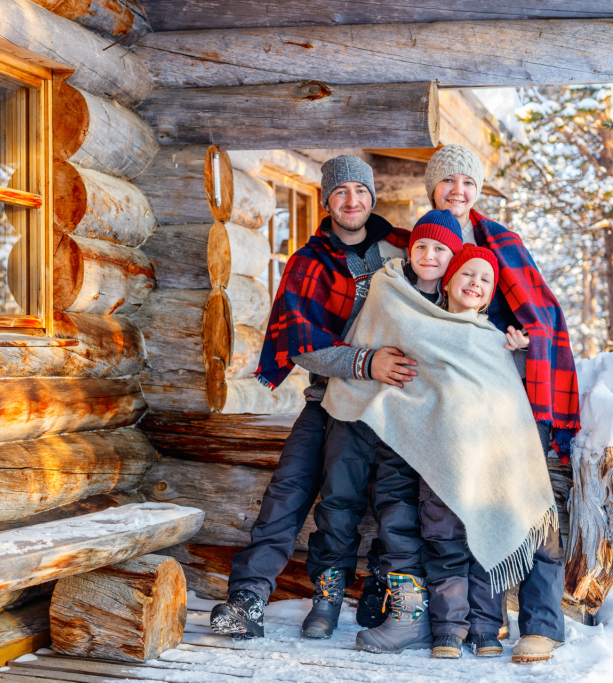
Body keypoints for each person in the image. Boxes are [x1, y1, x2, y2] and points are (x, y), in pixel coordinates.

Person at [321, 245, 558, 660]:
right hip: (436, 456)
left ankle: (486, 630)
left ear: (490, 296)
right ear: (449, 281)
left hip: (486, 466)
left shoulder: (493, 340)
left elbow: (504, 397)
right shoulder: (420, 322)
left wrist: (520, 355)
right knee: (442, 542)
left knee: (487, 538)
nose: (475, 283)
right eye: (468, 274)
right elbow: (415, 378)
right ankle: (447, 630)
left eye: (485, 280)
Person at [210, 155, 413, 639]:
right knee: (289, 488)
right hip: (328, 399)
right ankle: (248, 599)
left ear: (372, 197)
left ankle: (387, 594)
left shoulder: (402, 249)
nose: (352, 200)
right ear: (327, 202)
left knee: (396, 497)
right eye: (341, 192)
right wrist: (365, 362)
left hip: (393, 403)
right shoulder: (309, 261)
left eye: (360, 192)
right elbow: (303, 345)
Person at [419, 144, 582, 663]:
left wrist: (518, 342)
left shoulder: (502, 241)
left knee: (532, 503)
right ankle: (480, 623)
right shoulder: (423, 242)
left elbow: (541, 315)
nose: (458, 191)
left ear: (478, 190)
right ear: (432, 188)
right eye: (448, 182)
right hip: (453, 403)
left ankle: (542, 625)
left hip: (513, 390)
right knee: (467, 511)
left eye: (468, 182)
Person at [298, 209, 464, 642]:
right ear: (410, 249)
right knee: (337, 498)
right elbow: (357, 337)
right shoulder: (384, 284)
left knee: (398, 508)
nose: (429, 255)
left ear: (454, 258)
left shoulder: (455, 304)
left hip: (408, 421)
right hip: (355, 407)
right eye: (422, 246)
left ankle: (407, 606)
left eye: (441, 249)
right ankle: (327, 596)